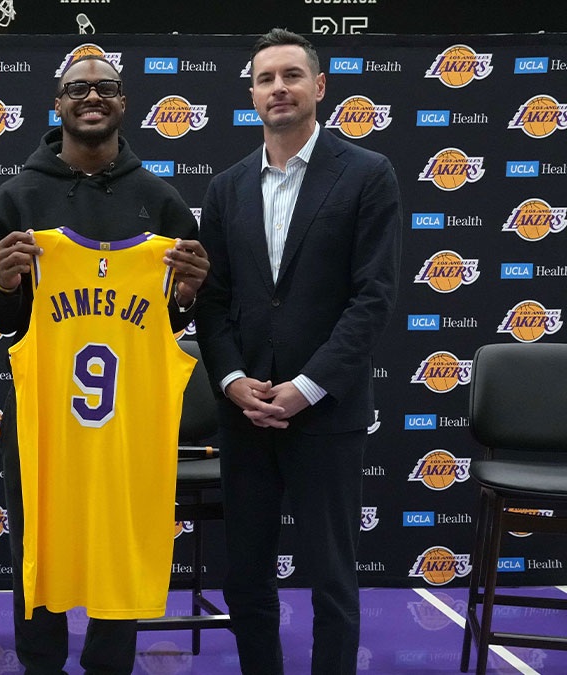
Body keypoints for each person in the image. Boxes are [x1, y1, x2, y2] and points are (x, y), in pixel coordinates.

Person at [0, 54, 210, 675]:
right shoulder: (18, 197)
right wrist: (3, 278)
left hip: (128, 425)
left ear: (123, 102)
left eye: (105, 87)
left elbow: (176, 322)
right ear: (58, 103)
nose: (92, 97)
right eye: (78, 88)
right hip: (44, 422)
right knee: (38, 552)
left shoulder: (160, 201)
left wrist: (185, 295)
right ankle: (40, 665)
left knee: (116, 553)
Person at [194, 28, 402, 675]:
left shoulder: (368, 175)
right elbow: (212, 300)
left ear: (319, 86)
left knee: (333, 580)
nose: (277, 88)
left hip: (326, 415)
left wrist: (307, 385)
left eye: (290, 75)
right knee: (246, 579)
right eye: (265, 78)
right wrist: (230, 379)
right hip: (245, 416)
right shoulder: (226, 189)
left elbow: (373, 297)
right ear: (252, 94)